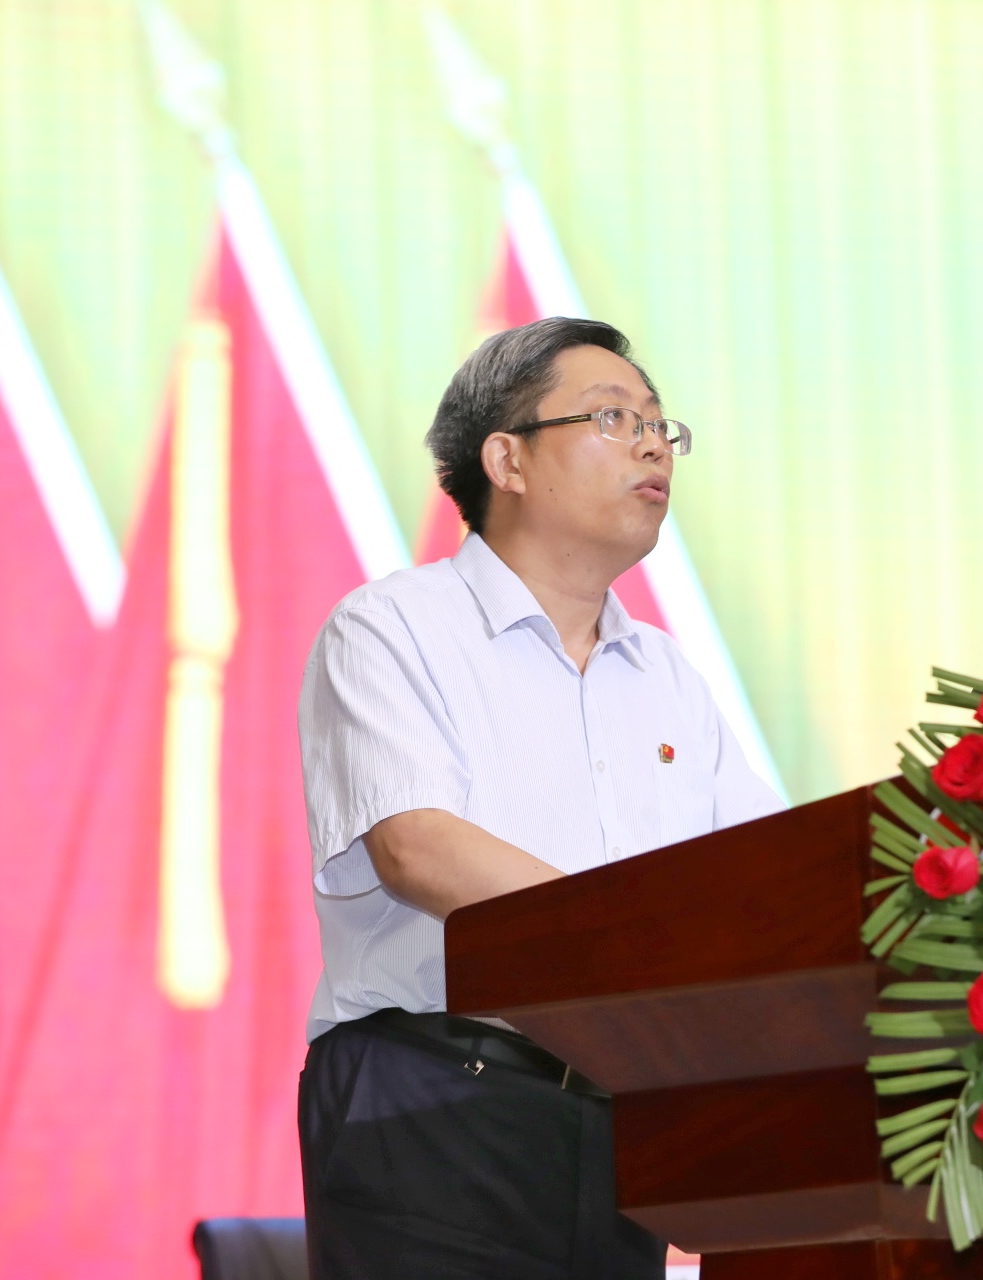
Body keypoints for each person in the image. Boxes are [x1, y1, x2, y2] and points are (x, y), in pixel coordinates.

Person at [295, 317, 784, 1279]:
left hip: (618, 1123)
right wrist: (644, 942)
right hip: (434, 1097)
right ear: (507, 459)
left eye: (660, 424)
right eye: (613, 417)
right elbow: (420, 848)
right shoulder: (394, 625)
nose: (653, 444)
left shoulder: (666, 676)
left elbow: (763, 883)